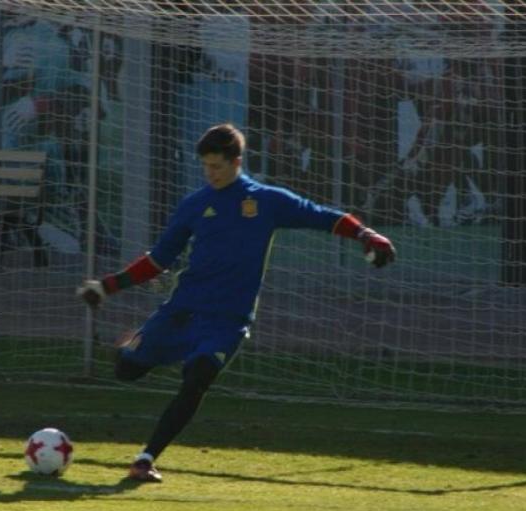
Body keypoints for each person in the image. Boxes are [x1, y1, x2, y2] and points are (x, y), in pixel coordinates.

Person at [76, 123, 396, 482]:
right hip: (183, 309)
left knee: (198, 377)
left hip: (228, 320)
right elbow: (158, 260)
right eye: (206, 166)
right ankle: (129, 345)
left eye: (217, 166)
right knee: (127, 371)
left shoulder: (265, 201)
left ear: (236, 161)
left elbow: (318, 214)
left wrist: (365, 234)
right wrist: (106, 287)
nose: (210, 174)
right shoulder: (195, 205)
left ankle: (146, 458)